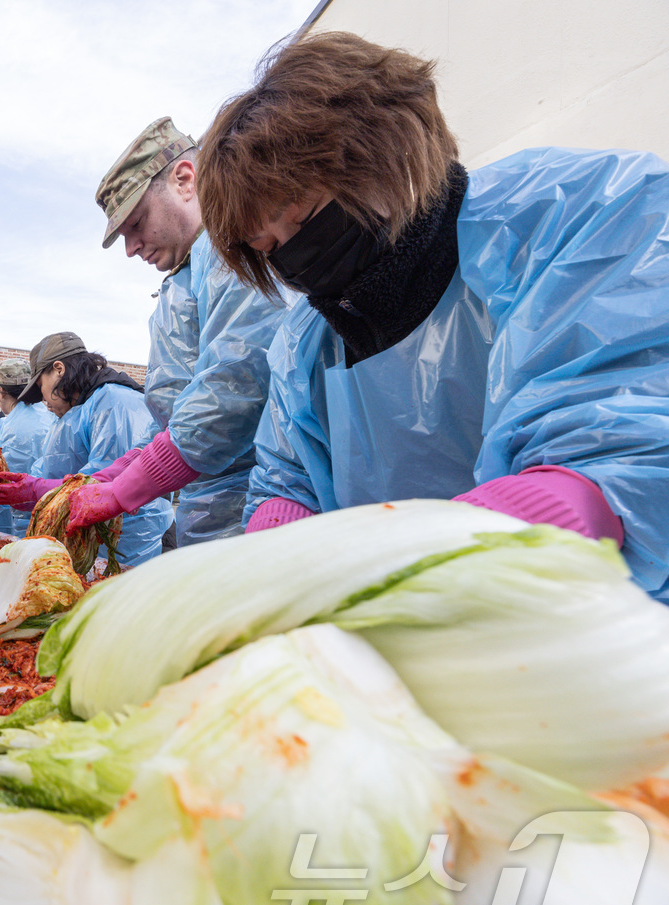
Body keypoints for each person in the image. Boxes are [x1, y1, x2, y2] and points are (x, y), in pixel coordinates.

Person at [195, 32, 669, 603]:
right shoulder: (306, 345)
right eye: (268, 246)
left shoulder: (573, 217)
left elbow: (630, 432)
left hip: (606, 622)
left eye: (301, 219)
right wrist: (279, 539)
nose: (295, 258)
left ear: (383, 154)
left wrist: (545, 507)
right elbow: (287, 472)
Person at [69, 118, 290, 546]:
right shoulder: (188, 276)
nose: (131, 247)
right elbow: (176, 418)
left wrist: (123, 492)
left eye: (136, 223)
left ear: (185, 180)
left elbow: (231, 390)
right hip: (211, 509)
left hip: (255, 510)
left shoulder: (230, 251)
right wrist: (107, 477)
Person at [0, 333, 173, 567]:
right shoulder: (74, 414)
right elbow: (49, 470)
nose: (42, 398)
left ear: (59, 369)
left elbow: (105, 481)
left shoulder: (113, 403)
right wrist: (19, 490)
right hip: (86, 542)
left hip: (124, 544)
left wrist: (36, 491)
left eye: (41, 385)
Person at [0, 359, 56, 537]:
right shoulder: (48, 414)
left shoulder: (15, 426)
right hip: (54, 509)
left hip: (29, 519)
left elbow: (10, 480)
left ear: (1, 391)